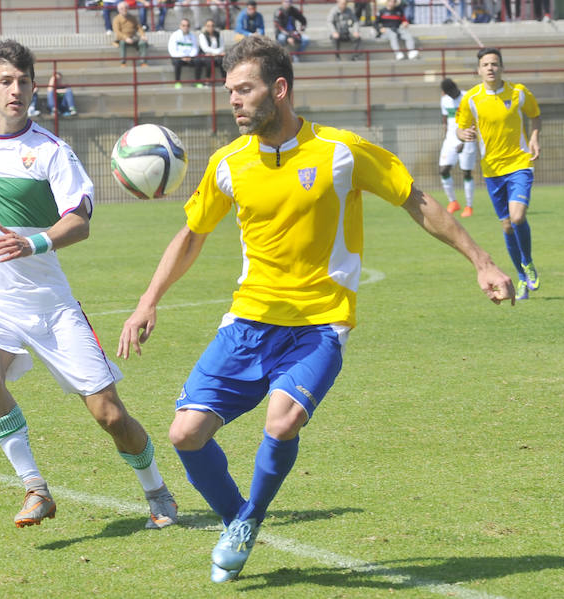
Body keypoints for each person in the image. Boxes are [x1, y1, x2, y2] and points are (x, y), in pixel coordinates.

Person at [117, 35, 514, 584]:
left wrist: (482, 261)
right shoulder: (228, 163)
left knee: (283, 419)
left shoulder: (341, 150)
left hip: (319, 324)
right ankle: (239, 520)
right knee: (185, 434)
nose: (233, 100)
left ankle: (249, 517)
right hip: (248, 323)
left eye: (245, 89)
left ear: (279, 90)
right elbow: (191, 235)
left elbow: (414, 199)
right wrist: (147, 302)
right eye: (229, 90)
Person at [0, 39, 178, 532]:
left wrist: (33, 243)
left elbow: (80, 221)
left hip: (51, 306)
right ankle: (35, 489)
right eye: (5, 81)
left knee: (109, 414)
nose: (15, 89)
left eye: (23, 81)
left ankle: (156, 491)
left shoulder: (52, 152)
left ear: (34, 86)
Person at [456, 47, 542, 300]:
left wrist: (535, 137)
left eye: (494, 63)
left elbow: (535, 116)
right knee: (506, 227)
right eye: (485, 65)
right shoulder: (471, 98)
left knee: (517, 218)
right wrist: (464, 134)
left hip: (519, 164)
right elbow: (460, 129)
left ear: (502, 67)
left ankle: (527, 262)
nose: (490, 68)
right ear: (479, 70)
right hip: (492, 170)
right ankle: (522, 277)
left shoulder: (518, 92)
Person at [439, 78, 476, 217]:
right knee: (443, 170)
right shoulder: (444, 100)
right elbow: (445, 119)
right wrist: (447, 136)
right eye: (448, 93)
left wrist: (464, 141)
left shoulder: (467, 97)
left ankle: (469, 206)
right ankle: (453, 202)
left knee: (466, 172)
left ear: (456, 87)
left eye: (452, 91)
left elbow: (474, 119)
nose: (451, 95)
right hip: (450, 139)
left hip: (467, 138)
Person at [168, 18, 203, 88]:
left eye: (187, 25)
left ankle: (197, 81)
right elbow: (172, 50)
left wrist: (190, 56)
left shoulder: (192, 36)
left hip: (190, 58)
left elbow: (195, 48)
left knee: (198, 61)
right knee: (177, 62)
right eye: (183, 25)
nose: (185, 27)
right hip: (178, 57)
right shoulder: (174, 35)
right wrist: (182, 57)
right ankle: (177, 82)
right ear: (180, 26)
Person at [113, 1, 149, 67]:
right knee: (122, 43)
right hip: (123, 38)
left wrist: (143, 35)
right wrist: (125, 38)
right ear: (118, 10)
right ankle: (123, 62)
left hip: (133, 37)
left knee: (143, 43)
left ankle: (143, 62)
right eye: (122, 8)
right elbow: (117, 31)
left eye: (126, 7)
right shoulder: (116, 19)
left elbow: (139, 27)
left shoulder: (132, 17)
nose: (124, 9)